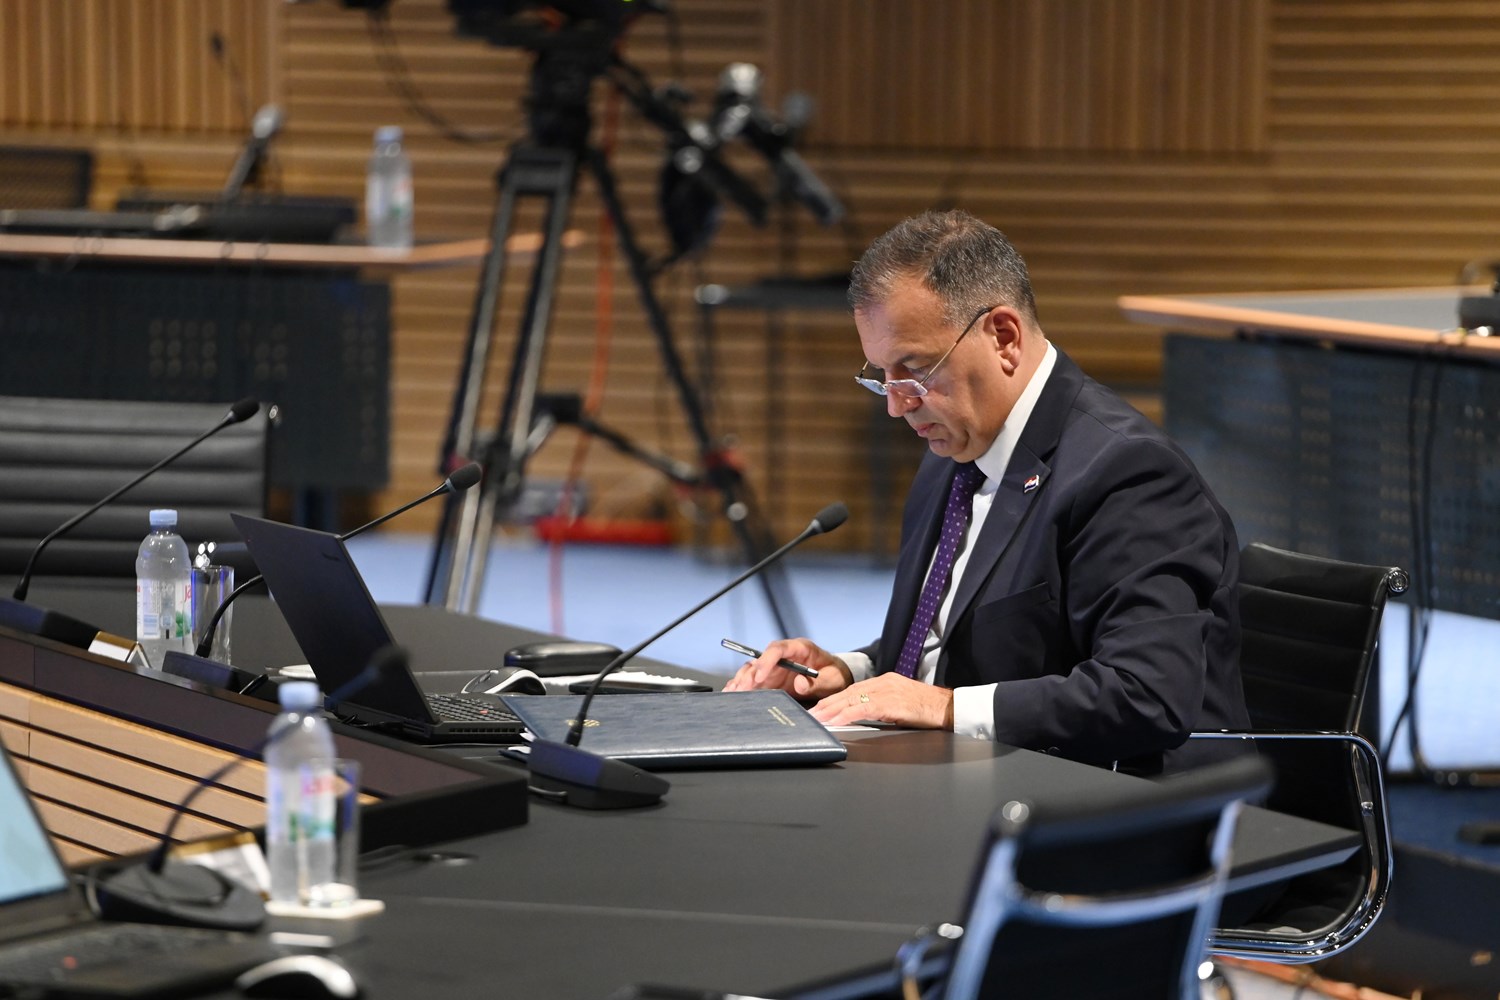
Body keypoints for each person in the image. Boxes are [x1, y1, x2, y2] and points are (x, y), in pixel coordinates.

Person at [724, 210, 1250, 774]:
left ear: (1003, 338)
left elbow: (1146, 694)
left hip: (1114, 797)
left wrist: (944, 707)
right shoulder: (954, 449)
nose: (896, 405)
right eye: (880, 375)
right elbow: (960, 641)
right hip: (972, 777)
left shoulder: (1129, 473)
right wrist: (848, 672)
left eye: (914, 369)